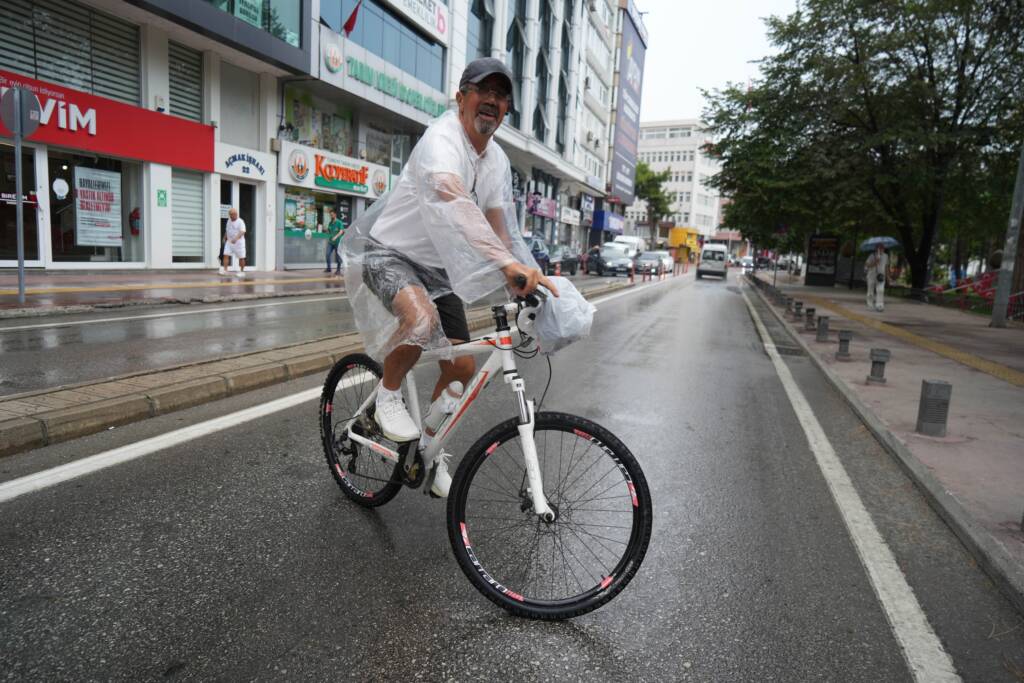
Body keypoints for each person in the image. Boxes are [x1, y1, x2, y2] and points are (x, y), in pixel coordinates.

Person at [348, 58, 558, 497]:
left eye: (502, 98)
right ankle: (386, 397)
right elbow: (453, 198)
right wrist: (505, 265)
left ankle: (425, 449)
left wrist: (529, 278)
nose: (493, 103)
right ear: (461, 97)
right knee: (421, 322)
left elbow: (505, 232)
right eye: (485, 92)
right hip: (390, 254)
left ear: (505, 113)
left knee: (461, 365)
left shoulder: (496, 161)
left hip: (438, 270)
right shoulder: (442, 138)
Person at [219, 208, 246, 278]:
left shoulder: (240, 221)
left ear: (236, 214)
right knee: (225, 254)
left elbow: (242, 231)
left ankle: (242, 271)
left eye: (234, 214)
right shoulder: (229, 221)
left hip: (239, 243)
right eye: (231, 214)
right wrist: (224, 237)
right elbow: (227, 230)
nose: (233, 215)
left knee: (241, 257)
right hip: (229, 242)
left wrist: (236, 239)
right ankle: (225, 270)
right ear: (229, 215)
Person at [865, 243, 889, 311]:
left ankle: (879, 305)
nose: (881, 249)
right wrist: (876, 261)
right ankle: (870, 304)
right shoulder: (872, 255)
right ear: (876, 248)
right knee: (870, 291)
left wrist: (888, 277)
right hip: (871, 275)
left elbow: (886, 267)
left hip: (881, 276)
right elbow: (867, 265)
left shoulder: (886, 256)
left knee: (880, 290)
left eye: (882, 248)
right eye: (879, 248)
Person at [324, 208, 345, 275]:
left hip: (337, 242)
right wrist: (326, 230)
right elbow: (329, 231)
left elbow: (341, 231)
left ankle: (338, 270)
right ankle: (329, 268)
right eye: (330, 215)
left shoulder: (339, 222)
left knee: (338, 256)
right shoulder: (330, 223)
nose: (331, 216)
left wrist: (336, 237)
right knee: (327, 254)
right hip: (331, 242)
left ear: (335, 215)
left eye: (332, 215)